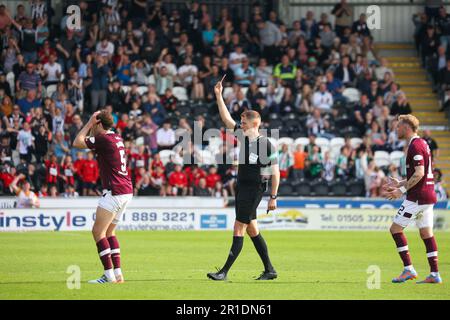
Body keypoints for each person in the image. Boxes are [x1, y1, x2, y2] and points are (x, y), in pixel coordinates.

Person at [207, 76, 280, 281]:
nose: (240, 124)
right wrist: (219, 96)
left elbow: (276, 173)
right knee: (252, 230)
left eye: (244, 122)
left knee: (239, 227)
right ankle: (270, 269)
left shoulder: (266, 145)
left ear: (254, 124)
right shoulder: (243, 137)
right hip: (242, 188)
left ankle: (223, 271)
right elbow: (226, 119)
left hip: (254, 190)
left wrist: (273, 197)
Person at [72, 110, 133, 284]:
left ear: (99, 123)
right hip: (126, 190)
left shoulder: (103, 139)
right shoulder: (116, 137)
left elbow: (77, 142)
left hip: (115, 191)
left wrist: (89, 123)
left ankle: (108, 275)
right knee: (109, 231)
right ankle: (118, 274)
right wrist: (94, 124)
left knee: (97, 232)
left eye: (95, 123)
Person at [383, 115, 441, 284]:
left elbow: (419, 173)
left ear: (407, 127)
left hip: (417, 197)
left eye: (399, 126)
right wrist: (400, 182)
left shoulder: (415, 146)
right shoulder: (423, 143)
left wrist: (400, 190)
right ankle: (435, 274)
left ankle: (408, 269)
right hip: (428, 196)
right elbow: (421, 174)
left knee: (395, 229)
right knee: (426, 234)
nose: (396, 129)